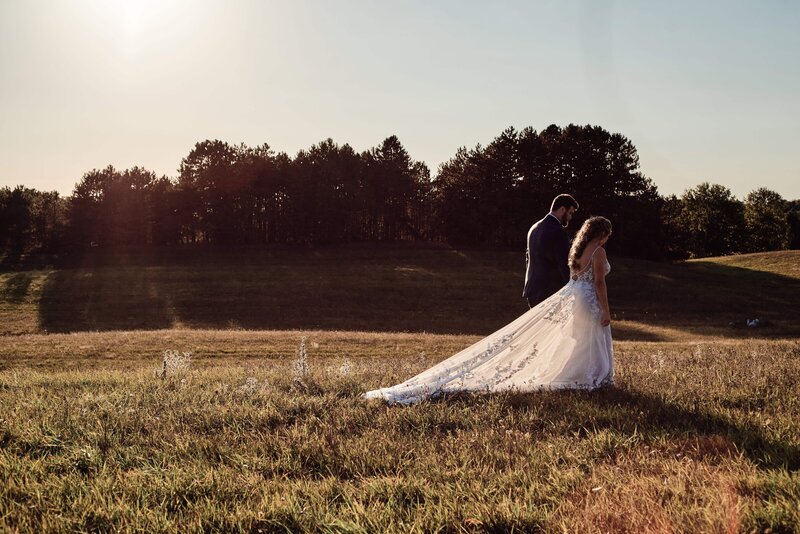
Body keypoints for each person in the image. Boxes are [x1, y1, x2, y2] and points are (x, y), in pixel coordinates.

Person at [364, 216, 614, 405]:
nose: (607, 239)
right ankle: (594, 377)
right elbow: (599, 282)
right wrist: (605, 309)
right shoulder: (599, 252)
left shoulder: (577, 250)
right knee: (589, 340)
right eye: (607, 235)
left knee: (581, 340)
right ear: (601, 234)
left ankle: (583, 374)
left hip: (576, 299)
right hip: (589, 299)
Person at [523, 194, 579, 308]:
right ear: (562, 209)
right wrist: (572, 288)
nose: (570, 217)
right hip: (550, 290)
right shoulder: (558, 232)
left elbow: (528, 258)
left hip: (532, 288)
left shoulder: (534, 228)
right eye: (570, 213)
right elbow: (563, 264)